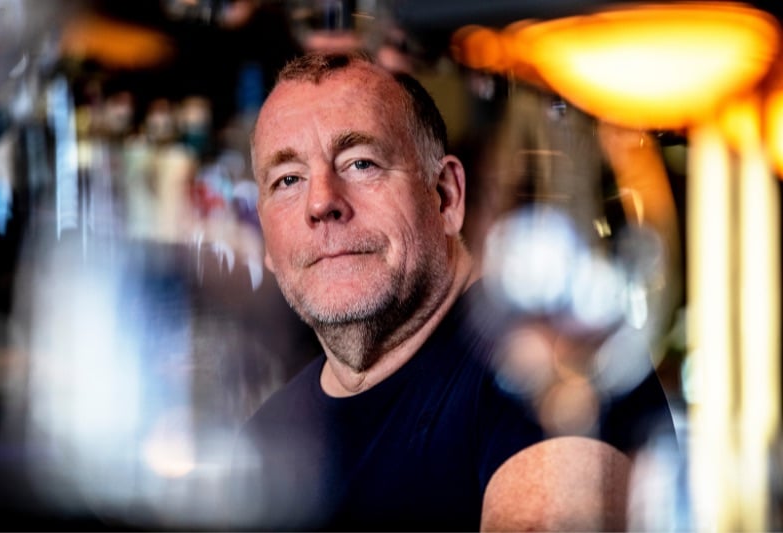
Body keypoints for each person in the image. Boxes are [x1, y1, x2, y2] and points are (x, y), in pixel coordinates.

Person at [231, 51, 676, 531]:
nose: (321, 203)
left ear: (446, 196)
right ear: (265, 238)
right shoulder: (264, 437)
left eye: (361, 163)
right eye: (288, 180)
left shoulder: (553, 366)